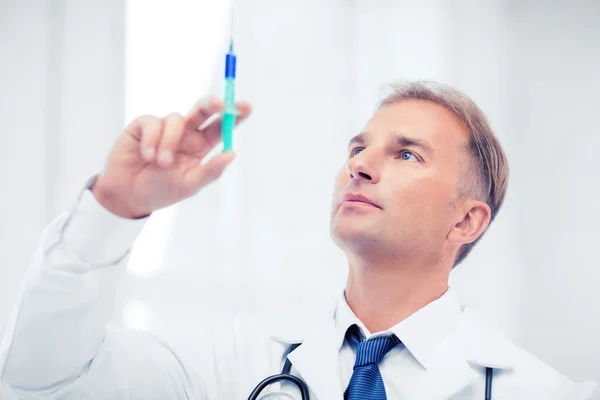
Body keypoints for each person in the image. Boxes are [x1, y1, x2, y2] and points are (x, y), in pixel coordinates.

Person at [0, 81, 597, 400]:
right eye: (357, 148)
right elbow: (45, 378)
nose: (360, 166)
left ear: (466, 222)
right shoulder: (236, 365)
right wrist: (115, 207)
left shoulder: (542, 392)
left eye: (406, 154)